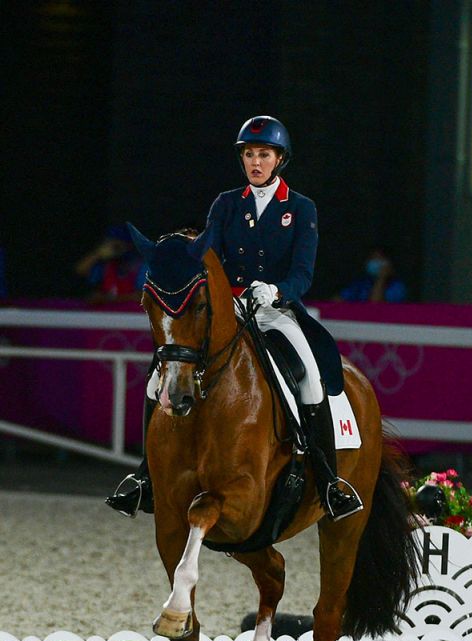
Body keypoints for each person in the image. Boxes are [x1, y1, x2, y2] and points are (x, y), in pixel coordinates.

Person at [107, 116, 363, 521]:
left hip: (277, 311)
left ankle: (329, 479)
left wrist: (277, 291)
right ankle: (145, 477)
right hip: (232, 307)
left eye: (263, 154)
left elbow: (303, 273)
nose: (255, 162)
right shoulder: (226, 204)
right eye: (249, 154)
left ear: (279, 159)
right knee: (159, 376)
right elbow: (210, 256)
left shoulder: (300, 208)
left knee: (312, 376)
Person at [74, 224, 146, 303]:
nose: (111, 248)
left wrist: (106, 298)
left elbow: (140, 297)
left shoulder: (142, 267)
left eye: (117, 245)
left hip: (132, 314)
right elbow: (79, 271)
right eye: (110, 244)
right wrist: (98, 254)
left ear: (129, 245)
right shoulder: (106, 265)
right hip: (108, 314)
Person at [337, 247, 407, 303]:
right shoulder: (361, 283)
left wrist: (381, 278)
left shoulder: (397, 286)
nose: (374, 262)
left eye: (379, 259)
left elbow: (375, 307)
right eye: (372, 258)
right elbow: (337, 301)